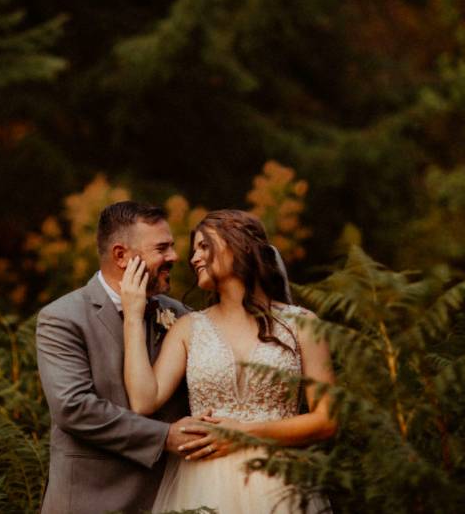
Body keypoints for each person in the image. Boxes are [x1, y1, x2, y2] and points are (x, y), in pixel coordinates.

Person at [120, 209, 337, 513]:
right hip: (201, 485)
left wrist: (244, 433)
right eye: (194, 250)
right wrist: (132, 314)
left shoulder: (303, 325)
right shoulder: (189, 327)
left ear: (239, 245)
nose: (194, 258)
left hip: (279, 484)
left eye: (204, 247)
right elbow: (144, 400)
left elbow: (327, 420)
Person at [36, 201, 212, 514]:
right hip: (89, 501)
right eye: (162, 248)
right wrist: (165, 437)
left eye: (172, 247)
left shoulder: (179, 315)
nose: (173, 257)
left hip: (165, 498)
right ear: (121, 255)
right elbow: (73, 408)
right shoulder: (63, 318)